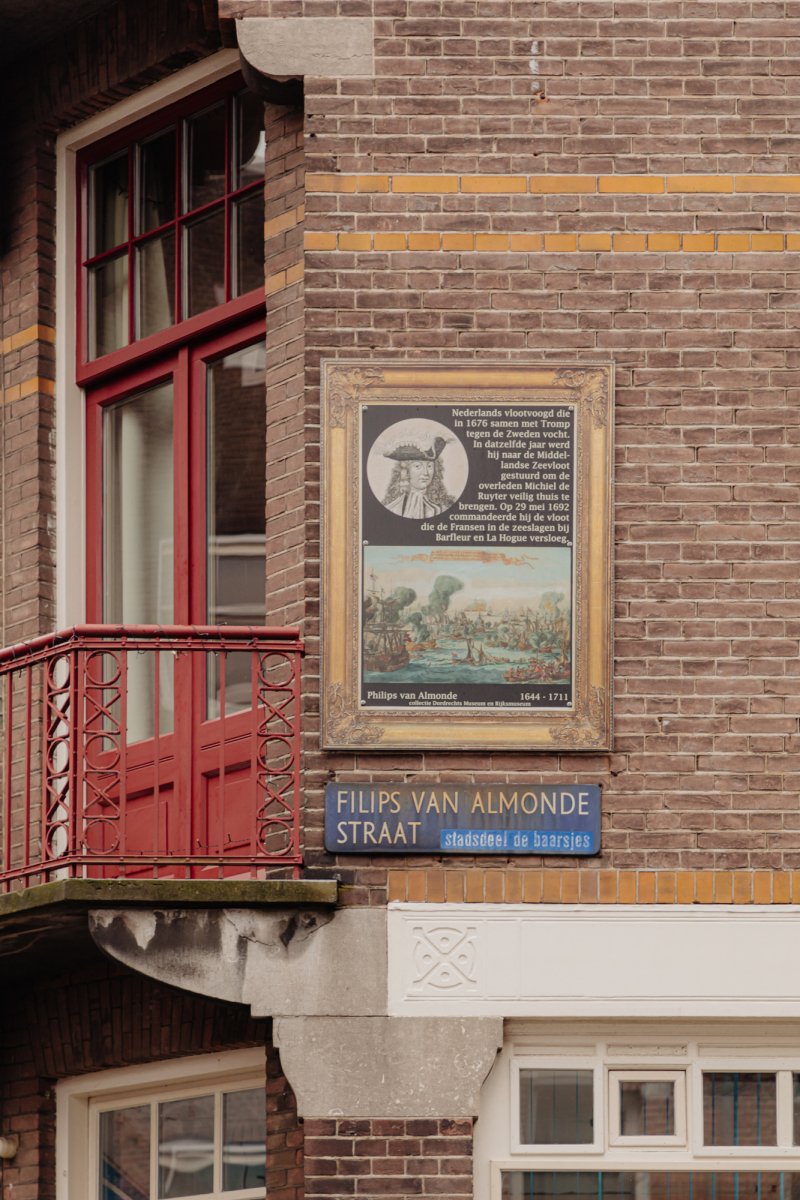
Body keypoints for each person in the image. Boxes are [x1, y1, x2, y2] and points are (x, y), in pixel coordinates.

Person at [381, 437, 456, 518]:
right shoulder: (392, 508)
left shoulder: (443, 508)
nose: (426, 473)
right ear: (406, 470)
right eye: (418, 466)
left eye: (430, 466)